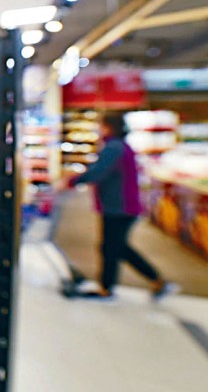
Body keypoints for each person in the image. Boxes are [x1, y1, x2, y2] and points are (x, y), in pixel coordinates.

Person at [68, 112, 178, 300]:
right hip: (123, 205)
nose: (98, 130)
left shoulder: (113, 147)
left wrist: (72, 181)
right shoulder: (121, 146)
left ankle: (113, 287)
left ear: (109, 127)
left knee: (113, 247)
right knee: (114, 246)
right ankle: (146, 282)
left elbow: (99, 171)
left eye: (101, 126)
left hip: (119, 206)